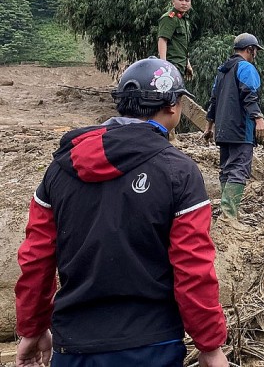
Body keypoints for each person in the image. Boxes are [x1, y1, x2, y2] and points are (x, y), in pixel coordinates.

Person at [15, 57, 227, 367]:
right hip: (153, 345)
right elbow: (193, 269)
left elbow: (35, 260)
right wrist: (209, 347)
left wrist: (32, 330)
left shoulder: (58, 171)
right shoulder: (179, 173)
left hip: (73, 346)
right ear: (172, 105)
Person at [203, 33, 264, 224]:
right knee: (239, 169)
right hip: (241, 129)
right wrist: (259, 119)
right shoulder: (246, 67)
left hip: (223, 130)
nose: (255, 54)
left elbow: (213, 100)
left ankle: (228, 212)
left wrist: (209, 126)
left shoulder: (222, 71)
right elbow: (249, 95)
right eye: (255, 50)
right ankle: (229, 215)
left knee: (226, 169)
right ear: (250, 50)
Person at [157, 0, 194, 80]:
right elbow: (162, 40)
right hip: (171, 65)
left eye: (187, 0)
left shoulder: (184, 20)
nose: (184, 3)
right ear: (173, 1)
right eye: (180, 0)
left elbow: (181, 45)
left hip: (181, 65)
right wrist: (164, 65)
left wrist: (187, 63)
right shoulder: (170, 18)